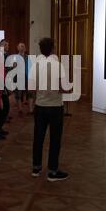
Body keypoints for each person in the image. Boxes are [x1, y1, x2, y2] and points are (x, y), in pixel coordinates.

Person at [31, 38, 69, 182]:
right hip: (54, 107)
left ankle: (36, 167)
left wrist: (38, 99)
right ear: (52, 48)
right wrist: (70, 88)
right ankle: (52, 171)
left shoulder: (36, 65)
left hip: (40, 106)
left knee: (38, 138)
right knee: (55, 139)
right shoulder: (57, 65)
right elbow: (61, 88)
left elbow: (32, 88)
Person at [14, 43, 34, 116]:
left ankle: (30, 110)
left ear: (25, 48)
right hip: (18, 78)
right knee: (18, 94)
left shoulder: (28, 57)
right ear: (18, 48)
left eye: (23, 46)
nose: (22, 48)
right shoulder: (15, 57)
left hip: (27, 77)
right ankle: (20, 110)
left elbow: (31, 68)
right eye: (20, 46)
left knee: (30, 93)